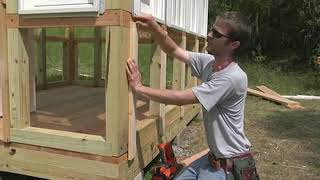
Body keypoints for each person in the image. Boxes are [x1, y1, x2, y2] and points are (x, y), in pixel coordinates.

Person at [126, 11, 259, 180]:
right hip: (213, 159)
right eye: (211, 29)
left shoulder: (233, 78)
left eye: (217, 34)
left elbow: (181, 98)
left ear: (233, 45)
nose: (209, 35)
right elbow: (173, 49)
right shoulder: (210, 63)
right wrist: (154, 27)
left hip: (228, 166)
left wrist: (139, 88)